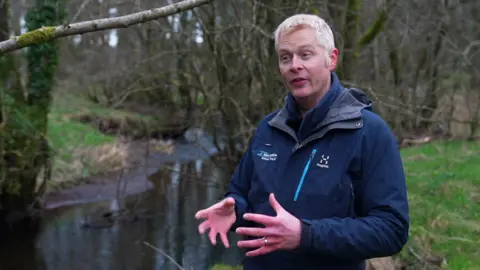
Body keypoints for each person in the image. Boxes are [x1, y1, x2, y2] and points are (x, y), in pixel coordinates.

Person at [195, 13, 409, 270]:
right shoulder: (268, 129)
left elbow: (391, 229)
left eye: (305, 54)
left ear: (332, 59)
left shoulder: (369, 133)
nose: (294, 65)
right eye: (285, 57)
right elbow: (241, 192)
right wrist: (236, 209)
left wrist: (305, 235)